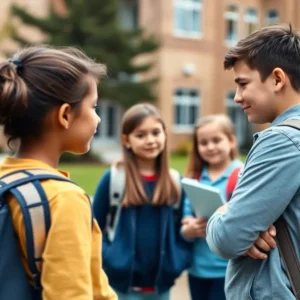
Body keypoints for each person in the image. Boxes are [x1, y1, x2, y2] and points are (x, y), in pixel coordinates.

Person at [0, 46, 117, 300]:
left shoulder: (3, 178)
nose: (97, 119)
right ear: (65, 115)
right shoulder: (64, 199)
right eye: (93, 107)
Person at [206, 24, 300, 299]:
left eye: (243, 83)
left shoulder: (281, 141)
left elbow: (228, 238)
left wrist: (222, 215)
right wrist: (248, 227)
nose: (237, 97)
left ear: (277, 79)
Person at [92, 103, 192, 300]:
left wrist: (178, 261)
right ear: (126, 140)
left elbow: (183, 229)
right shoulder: (113, 179)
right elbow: (92, 227)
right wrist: (111, 258)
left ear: (165, 134)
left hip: (161, 288)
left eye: (156, 132)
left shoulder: (175, 181)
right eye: (141, 135)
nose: (150, 140)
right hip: (120, 287)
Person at [181, 114, 243, 300]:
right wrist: (188, 230)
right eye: (204, 142)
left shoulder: (242, 175)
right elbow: (184, 223)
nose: (210, 147)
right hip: (198, 270)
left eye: (216, 140)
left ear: (231, 141)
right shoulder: (195, 179)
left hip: (230, 271)